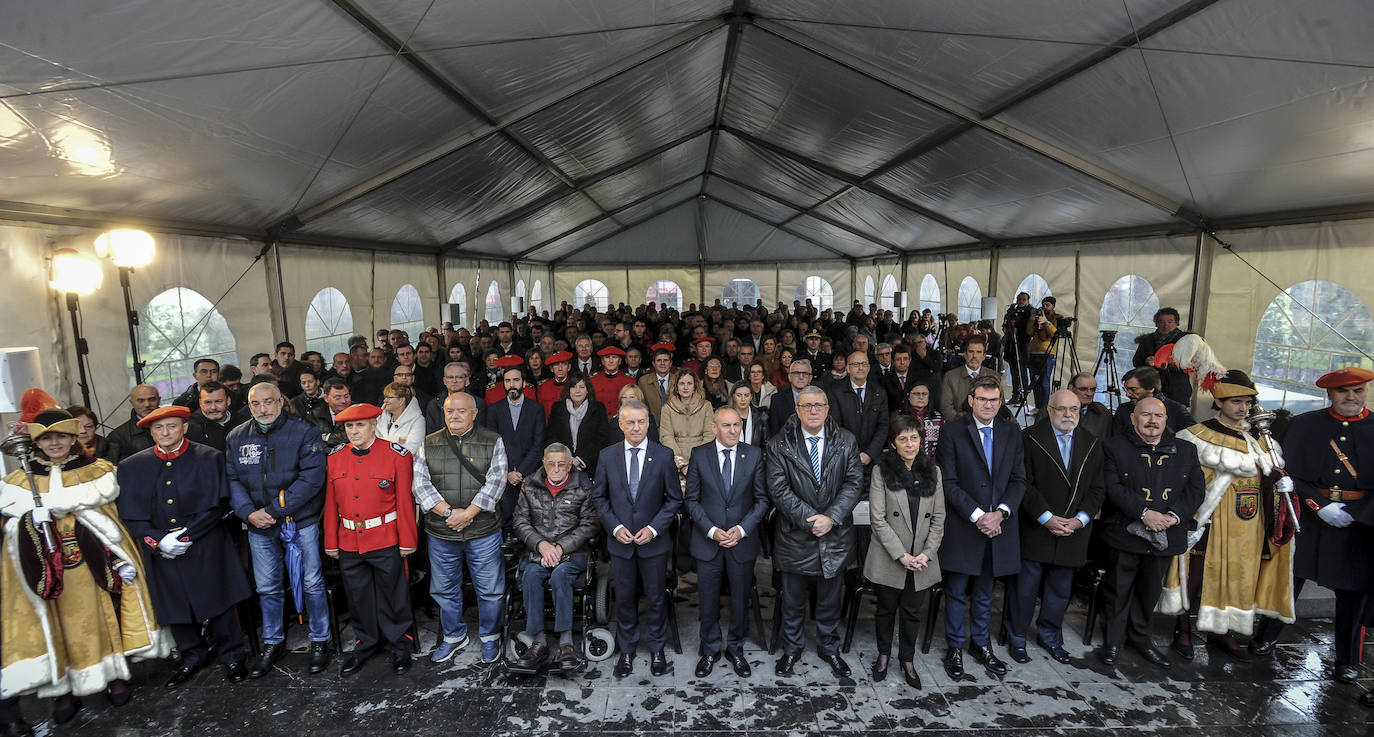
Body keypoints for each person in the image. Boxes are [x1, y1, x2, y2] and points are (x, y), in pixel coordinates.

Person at [0, 409, 168, 723]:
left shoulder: (96, 471)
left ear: (72, 437)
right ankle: (64, 692)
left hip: (87, 566)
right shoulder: (20, 480)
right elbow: (10, 533)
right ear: (36, 441)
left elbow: (109, 521)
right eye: (46, 438)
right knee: (55, 628)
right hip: (45, 570)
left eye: (60, 436)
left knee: (101, 621)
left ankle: (114, 676)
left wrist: (115, 554)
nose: (54, 443)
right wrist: (27, 522)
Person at [115, 405, 253, 689]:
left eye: (172, 426)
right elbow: (131, 516)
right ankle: (192, 655)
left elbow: (218, 506)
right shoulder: (131, 466)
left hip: (206, 544)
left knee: (219, 601)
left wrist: (186, 537)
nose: (165, 433)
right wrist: (158, 541)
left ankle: (232, 656)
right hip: (161, 549)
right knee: (173, 604)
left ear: (185, 427)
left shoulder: (210, 457)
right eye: (158, 428)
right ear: (150, 432)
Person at [1163, 370, 1295, 662]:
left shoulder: (1256, 439)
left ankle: (1222, 631)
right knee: (1193, 578)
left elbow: (1264, 479)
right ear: (1220, 402)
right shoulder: (1197, 436)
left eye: (1248, 403)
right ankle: (1181, 630)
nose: (1243, 408)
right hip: (1208, 522)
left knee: (1236, 579)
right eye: (1237, 401)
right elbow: (1183, 482)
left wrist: (1279, 482)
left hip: (1246, 527)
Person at [1251, 366, 1372, 681]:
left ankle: (1347, 659)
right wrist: (1320, 506)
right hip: (1311, 516)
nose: (1351, 397)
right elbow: (1290, 473)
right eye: (1343, 391)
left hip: (1358, 523)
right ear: (1329, 394)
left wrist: (1358, 514)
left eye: (1358, 390)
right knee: (1289, 579)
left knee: (1353, 595)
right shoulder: (1306, 425)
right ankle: (1266, 636)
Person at [225, 383, 331, 678]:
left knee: (311, 582)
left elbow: (312, 479)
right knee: (267, 587)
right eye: (256, 404)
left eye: (268, 402)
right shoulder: (236, 436)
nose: (263, 409)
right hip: (257, 525)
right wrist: (248, 514)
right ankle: (273, 642)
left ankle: (320, 640)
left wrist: (272, 512)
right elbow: (232, 480)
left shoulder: (304, 431)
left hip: (299, 522)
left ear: (281, 402)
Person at [1098, 397, 1205, 668]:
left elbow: (1195, 490)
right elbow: (1111, 487)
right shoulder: (1113, 447)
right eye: (1145, 415)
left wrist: (1172, 517)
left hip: (1165, 535)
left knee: (1149, 592)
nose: (1152, 421)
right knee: (1117, 591)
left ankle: (1141, 640)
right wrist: (1145, 513)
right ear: (1133, 418)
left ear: (1166, 419)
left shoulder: (1187, 450)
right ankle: (1112, 641)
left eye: (1158, 415)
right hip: (1125, 533)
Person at [766, 385, 863, 678]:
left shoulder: (846, 440)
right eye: (806, 406)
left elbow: (854, 482)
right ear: (797, 410)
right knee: (792, 600)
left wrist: (831, 517)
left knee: (830, 599)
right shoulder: (779, 444)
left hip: (834, 535)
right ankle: (792, 649)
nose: (813, 411)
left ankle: (828, 647)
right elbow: (778, 489)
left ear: (827, 408)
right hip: (796, 535)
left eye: (818, 405)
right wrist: (812, 518)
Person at [936, 376, 1026, 679]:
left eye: (994, 400)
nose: (989, 405)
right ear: (971, 400)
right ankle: (955, 647)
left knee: (987, 591)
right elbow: (947, 482)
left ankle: (981, 644)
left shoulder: (1012, 432)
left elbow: (1018, 480)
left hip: (998, 527)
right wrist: (978, 515)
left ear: (1000, 402)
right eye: (983, 399)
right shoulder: (952, 432)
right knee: (957, 591)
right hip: (965, 525)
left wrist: (999, 514)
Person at [1007, 390, 1106, 666]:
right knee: (1024, 588)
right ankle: (1016, 635)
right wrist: (1046, 517)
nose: (1068, 415)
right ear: (1048, 410)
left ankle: (1050, 635)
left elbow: (1098, 488)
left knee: (1061, 589)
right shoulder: (1028, 438)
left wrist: (1080, 519)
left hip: (1074, 530)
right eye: (1061, 409)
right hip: (1037, 527)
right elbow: (1023, 483)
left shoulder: (1092, 443)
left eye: (1074, 409)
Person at [323, 404, 418, 676]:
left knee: (393, 594)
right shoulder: (335, 458)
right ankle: (366, 643)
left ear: (374, 424)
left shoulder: (396, 455)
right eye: (349, 426)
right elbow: (331, 504)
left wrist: (408, 540)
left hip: (386, 537)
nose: (354, 431)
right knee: (357, 596)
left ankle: (401, 643)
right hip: (349, 539)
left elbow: (405, 502)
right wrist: (331, 540)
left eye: (360, 425)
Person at [414, 391, 508, 664]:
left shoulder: (493, 440)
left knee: (490, 588)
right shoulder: (429, 442)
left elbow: (496, 481)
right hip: (442, 531)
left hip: (483, 530)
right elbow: (420, 484)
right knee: (444, 588)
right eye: (449, 411)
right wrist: (449, 513)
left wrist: (468, 513)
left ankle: (491, 637)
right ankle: (454, 635)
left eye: (461, 411)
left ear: (474, 413)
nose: (454, 415)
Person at [595, 398, 682, 678]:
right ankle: (628, 649)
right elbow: (599, 497)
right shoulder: (607, 455)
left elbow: (674, 500)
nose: (636, 427)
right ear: (620, 424)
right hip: (620, 542)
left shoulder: (664, 455)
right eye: (630, 422)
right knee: (625, 597)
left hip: (653, 543)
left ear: (648, 424)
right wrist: (615, 527)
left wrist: (654, 528)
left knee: (656, 598)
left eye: (641, 422)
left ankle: (657, 647)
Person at [682, 407, 768, 678]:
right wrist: (712, 530)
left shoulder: (753, 454)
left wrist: (741, 530)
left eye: (737, 425)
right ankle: (709, 650)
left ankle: (736, 648)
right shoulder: (699, 454)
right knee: (707, 600)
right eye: (727, 425)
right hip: (709, 542)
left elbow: (762, 500)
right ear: (714, 428)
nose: (733, 431)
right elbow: (691, 500)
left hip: (741, 542)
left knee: (741, 600)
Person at [863, 415, 945, 689]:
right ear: (893, 443)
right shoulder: (881, 471)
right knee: (886, 610)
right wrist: (902, 555)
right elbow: (878, 518)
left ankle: (907, 659)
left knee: (911, 612)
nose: (910, 444)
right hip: (891, 557)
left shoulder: (933, 471)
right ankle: (884, 655)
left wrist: (926, 553)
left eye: (914, 438)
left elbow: (938, 519)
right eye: (903, 439)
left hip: (922, 558)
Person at [509, 444, 603, 675]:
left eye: (562, 464)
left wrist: (560, 548)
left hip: (574, 553)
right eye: (551, 463)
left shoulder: (583, 486)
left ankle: (566, 643)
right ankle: (538, 642)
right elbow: (520, 521)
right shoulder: (530, 485)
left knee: (560, 576)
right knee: (530, 576)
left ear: (570, 464)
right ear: (543, 463)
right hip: (538, 552)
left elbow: (590, 524)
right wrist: (542, 545)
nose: (556, 468)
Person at [484, 364, 546, 524]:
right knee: (505, 517)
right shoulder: (495, 410)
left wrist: (520, 472)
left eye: (516, 380)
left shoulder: (536, 408)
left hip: (530, 474)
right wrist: (508, 472)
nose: (512, 384)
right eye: (507, 381)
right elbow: (492, 444)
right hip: (503, 474)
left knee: (531, 518)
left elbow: (538, 444)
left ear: (524, 383)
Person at [826, 351, 889, 481]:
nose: (860, 368)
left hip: (874, 460)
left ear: (869, 367)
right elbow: (835, 426)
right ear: (848, 368)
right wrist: (855, 454)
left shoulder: (879, 392)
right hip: (845, 460)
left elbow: (883, 426)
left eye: (864, 364)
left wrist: (869, 454)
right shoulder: (835, 391)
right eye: (856, 364)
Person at [545, 375, 610, 475]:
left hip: (590, 466)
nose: (577, 391)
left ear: (587, 390)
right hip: (562, 466)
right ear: (568, 390)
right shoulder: (558, 408)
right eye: (574, 387)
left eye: (582, 387)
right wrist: (566, 460)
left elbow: (601, 439)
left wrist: (580, 460)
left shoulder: (598, 408)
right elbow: (552, 436)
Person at [1132, 307, 1193, 407]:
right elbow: (1136, 362)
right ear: (1156, 323)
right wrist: (1146, 362)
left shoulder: (1186, 340)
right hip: (1151, 387)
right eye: (1161, 322)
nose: (1166, 325)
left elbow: (1191, 366)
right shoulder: (1147, 340)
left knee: (1175, 418)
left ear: (1177, 323)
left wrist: (1166, 364)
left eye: (1170, 321)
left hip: (1177, 389)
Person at [1112, 367, 1196, 437]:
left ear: (1151, 388)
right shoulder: (1123, 409)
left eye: (1133, 389)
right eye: (1126, 389)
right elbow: (1115, 440)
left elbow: (1194, 437)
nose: (1127, 394)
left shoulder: (1176, 410)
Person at [660, 369, 714, 474]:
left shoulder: (706, 406)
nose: (685, 387)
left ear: (695, 386)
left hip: (702, 460)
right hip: (675, 461)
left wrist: (697, 462)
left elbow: (709, 435)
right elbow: (666, 437)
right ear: (676, 387)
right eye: (682, 383)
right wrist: (682, 464)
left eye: (689, 383)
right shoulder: (667, 408)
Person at [938, 337, 1000, 418]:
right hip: (959, 424)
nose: (974, 356)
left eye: (978, 352)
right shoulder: (950, 376)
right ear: (965, 355)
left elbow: (1000, 406)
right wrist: (961, 425)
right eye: (971, 352)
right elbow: (946, 408)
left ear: (984, 356)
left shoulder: (994, 376)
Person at [106, 384, 161, 462]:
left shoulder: (177, 425)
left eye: (152, 399)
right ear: (131, 402)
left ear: (159, 400)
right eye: (141, 400)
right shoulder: (118, 437)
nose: (147, 404)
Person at [1026, 297, 1059, 412]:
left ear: (1053, 306)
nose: (1044, 307)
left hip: (1048, 354)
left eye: (1047, 305)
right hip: (1034, 352)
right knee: (1034, 382)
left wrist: (1046, 322)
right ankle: (1037, 406)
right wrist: (1032, 318)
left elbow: (1055, 333)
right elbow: (1029, 332)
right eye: (1043, 305)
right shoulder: (1037, 316)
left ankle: (1044, 409)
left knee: (1044, 382)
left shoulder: (1056, 317)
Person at [892, 382, 942, 459]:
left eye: (924, 394)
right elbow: (892, 443)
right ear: (908, 396)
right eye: (916, 394)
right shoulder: (898, 416)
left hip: (932, 464)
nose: (921, 397)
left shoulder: (937, 417)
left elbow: (942, 445)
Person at [378, 381, 425, 456]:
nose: (385, 401)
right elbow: (372, 443)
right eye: (385, 397)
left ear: (401, 400)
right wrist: (397, 440)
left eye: (389, 397)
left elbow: (411, 450)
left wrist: (384, 441)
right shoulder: (379, 418)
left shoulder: (418, 420)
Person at [767, 358, 811, 435]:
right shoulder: (777, 400)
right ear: (789, 377)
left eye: (804, 373)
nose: (801, 377)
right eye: (797, 373)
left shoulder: (819, 399)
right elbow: (774, 432)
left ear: (810, 378)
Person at [590, 346, 635, 419]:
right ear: (602, 361)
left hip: (622, 421)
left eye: (614, 357)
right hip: (598, 422)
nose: (611, 361)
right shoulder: (593, 380)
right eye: (607, 357)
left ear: (620, 361)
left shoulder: (630, 380)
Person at [636, 345, 676, 421]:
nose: (662, 363)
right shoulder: (643, 381)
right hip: (651, 426)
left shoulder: (678, 380)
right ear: (653, 363)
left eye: (665, 360)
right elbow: (640, 406)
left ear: (670, 363)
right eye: (658, 360)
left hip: (675, 426)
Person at [1069, 372, 1112, 439]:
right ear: (1071, 388)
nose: (1089, 394)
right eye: (1083, 389)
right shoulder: (1056, 410)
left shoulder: (1103, 413)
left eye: (1093, 389)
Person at [536, 351, 575, 419]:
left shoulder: (576, 385)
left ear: (569, 367)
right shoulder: (543, 387)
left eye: (564, 364)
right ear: (551, 369)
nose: (560, 368)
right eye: (556, 365)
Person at [730, 382, 768, 448]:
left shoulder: (761, 417)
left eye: (746, 395)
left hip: (756, 457)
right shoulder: (726, 417)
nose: (743, 399)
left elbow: (766, 445)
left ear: (751, 397)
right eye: (739, 395)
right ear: (733, 397)